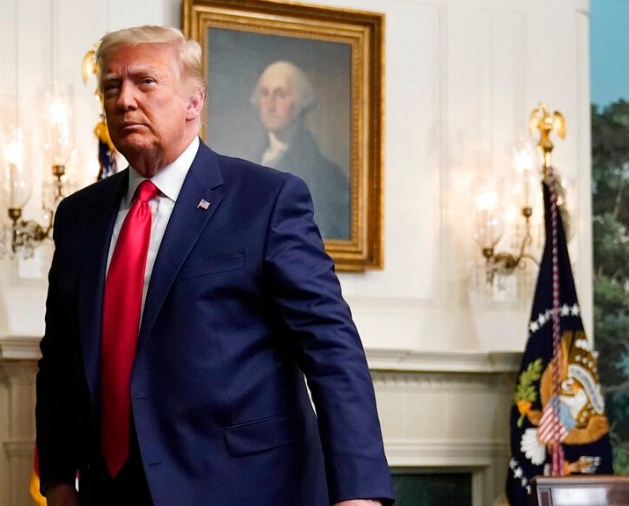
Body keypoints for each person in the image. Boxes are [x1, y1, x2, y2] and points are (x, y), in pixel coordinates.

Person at [35, 25, 394, 506]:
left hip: (247, 487)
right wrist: (58, 480)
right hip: (113, 491)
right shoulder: (79, 217)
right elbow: (59, 361)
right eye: (111, 87)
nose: (124, 101)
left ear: (194, 102)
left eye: (146, 82)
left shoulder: (266, 200)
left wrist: (359, 492)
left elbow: (332, 350)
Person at [248, 60, 351, 239]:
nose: (271, 105)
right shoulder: (252, 161)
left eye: (281, 95)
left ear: (300, 102)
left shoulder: (327, 174)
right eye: (265, 93)